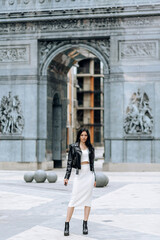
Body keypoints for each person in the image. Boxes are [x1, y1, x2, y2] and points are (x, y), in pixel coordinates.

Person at [64, 128, 96, 236]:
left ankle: (85, 224)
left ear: (88, 137)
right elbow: (69, 163)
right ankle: (67, 224)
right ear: (79, 136)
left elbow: (92, 165)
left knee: (88, 200)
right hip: (79, 175)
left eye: (85, 135)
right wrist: (66, 177)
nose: (83, 137)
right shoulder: (73, 147)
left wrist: (94, 178)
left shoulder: (91, 148)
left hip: (89, 175)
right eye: (82, 135)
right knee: (73, 199)